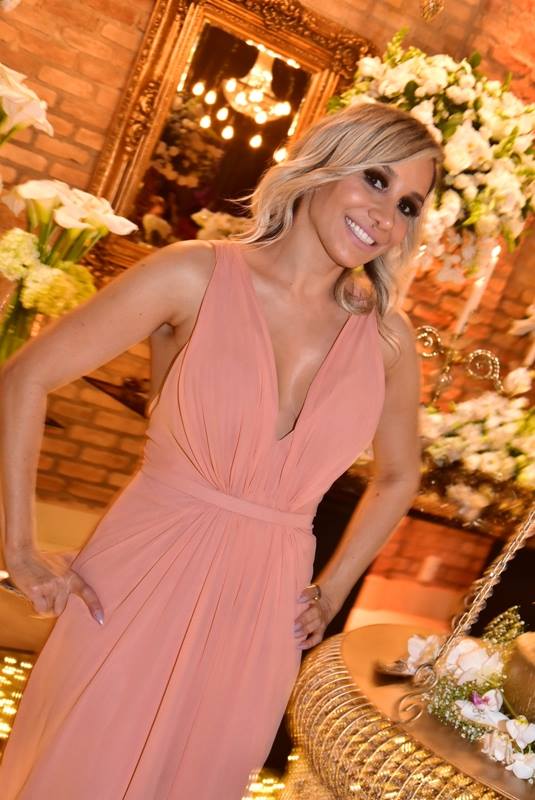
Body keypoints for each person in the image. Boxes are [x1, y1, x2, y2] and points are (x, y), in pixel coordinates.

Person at [0, 102, 442, 799]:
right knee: (82, 769)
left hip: (265, 609)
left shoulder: (387, 339)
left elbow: (398, 476)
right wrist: (20, 548)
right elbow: (24, 377)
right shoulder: (193, 275)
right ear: (323, 165)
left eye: (409, 204)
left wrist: (331, 590)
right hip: (140, 576)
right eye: (376, 179)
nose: (387, 216)